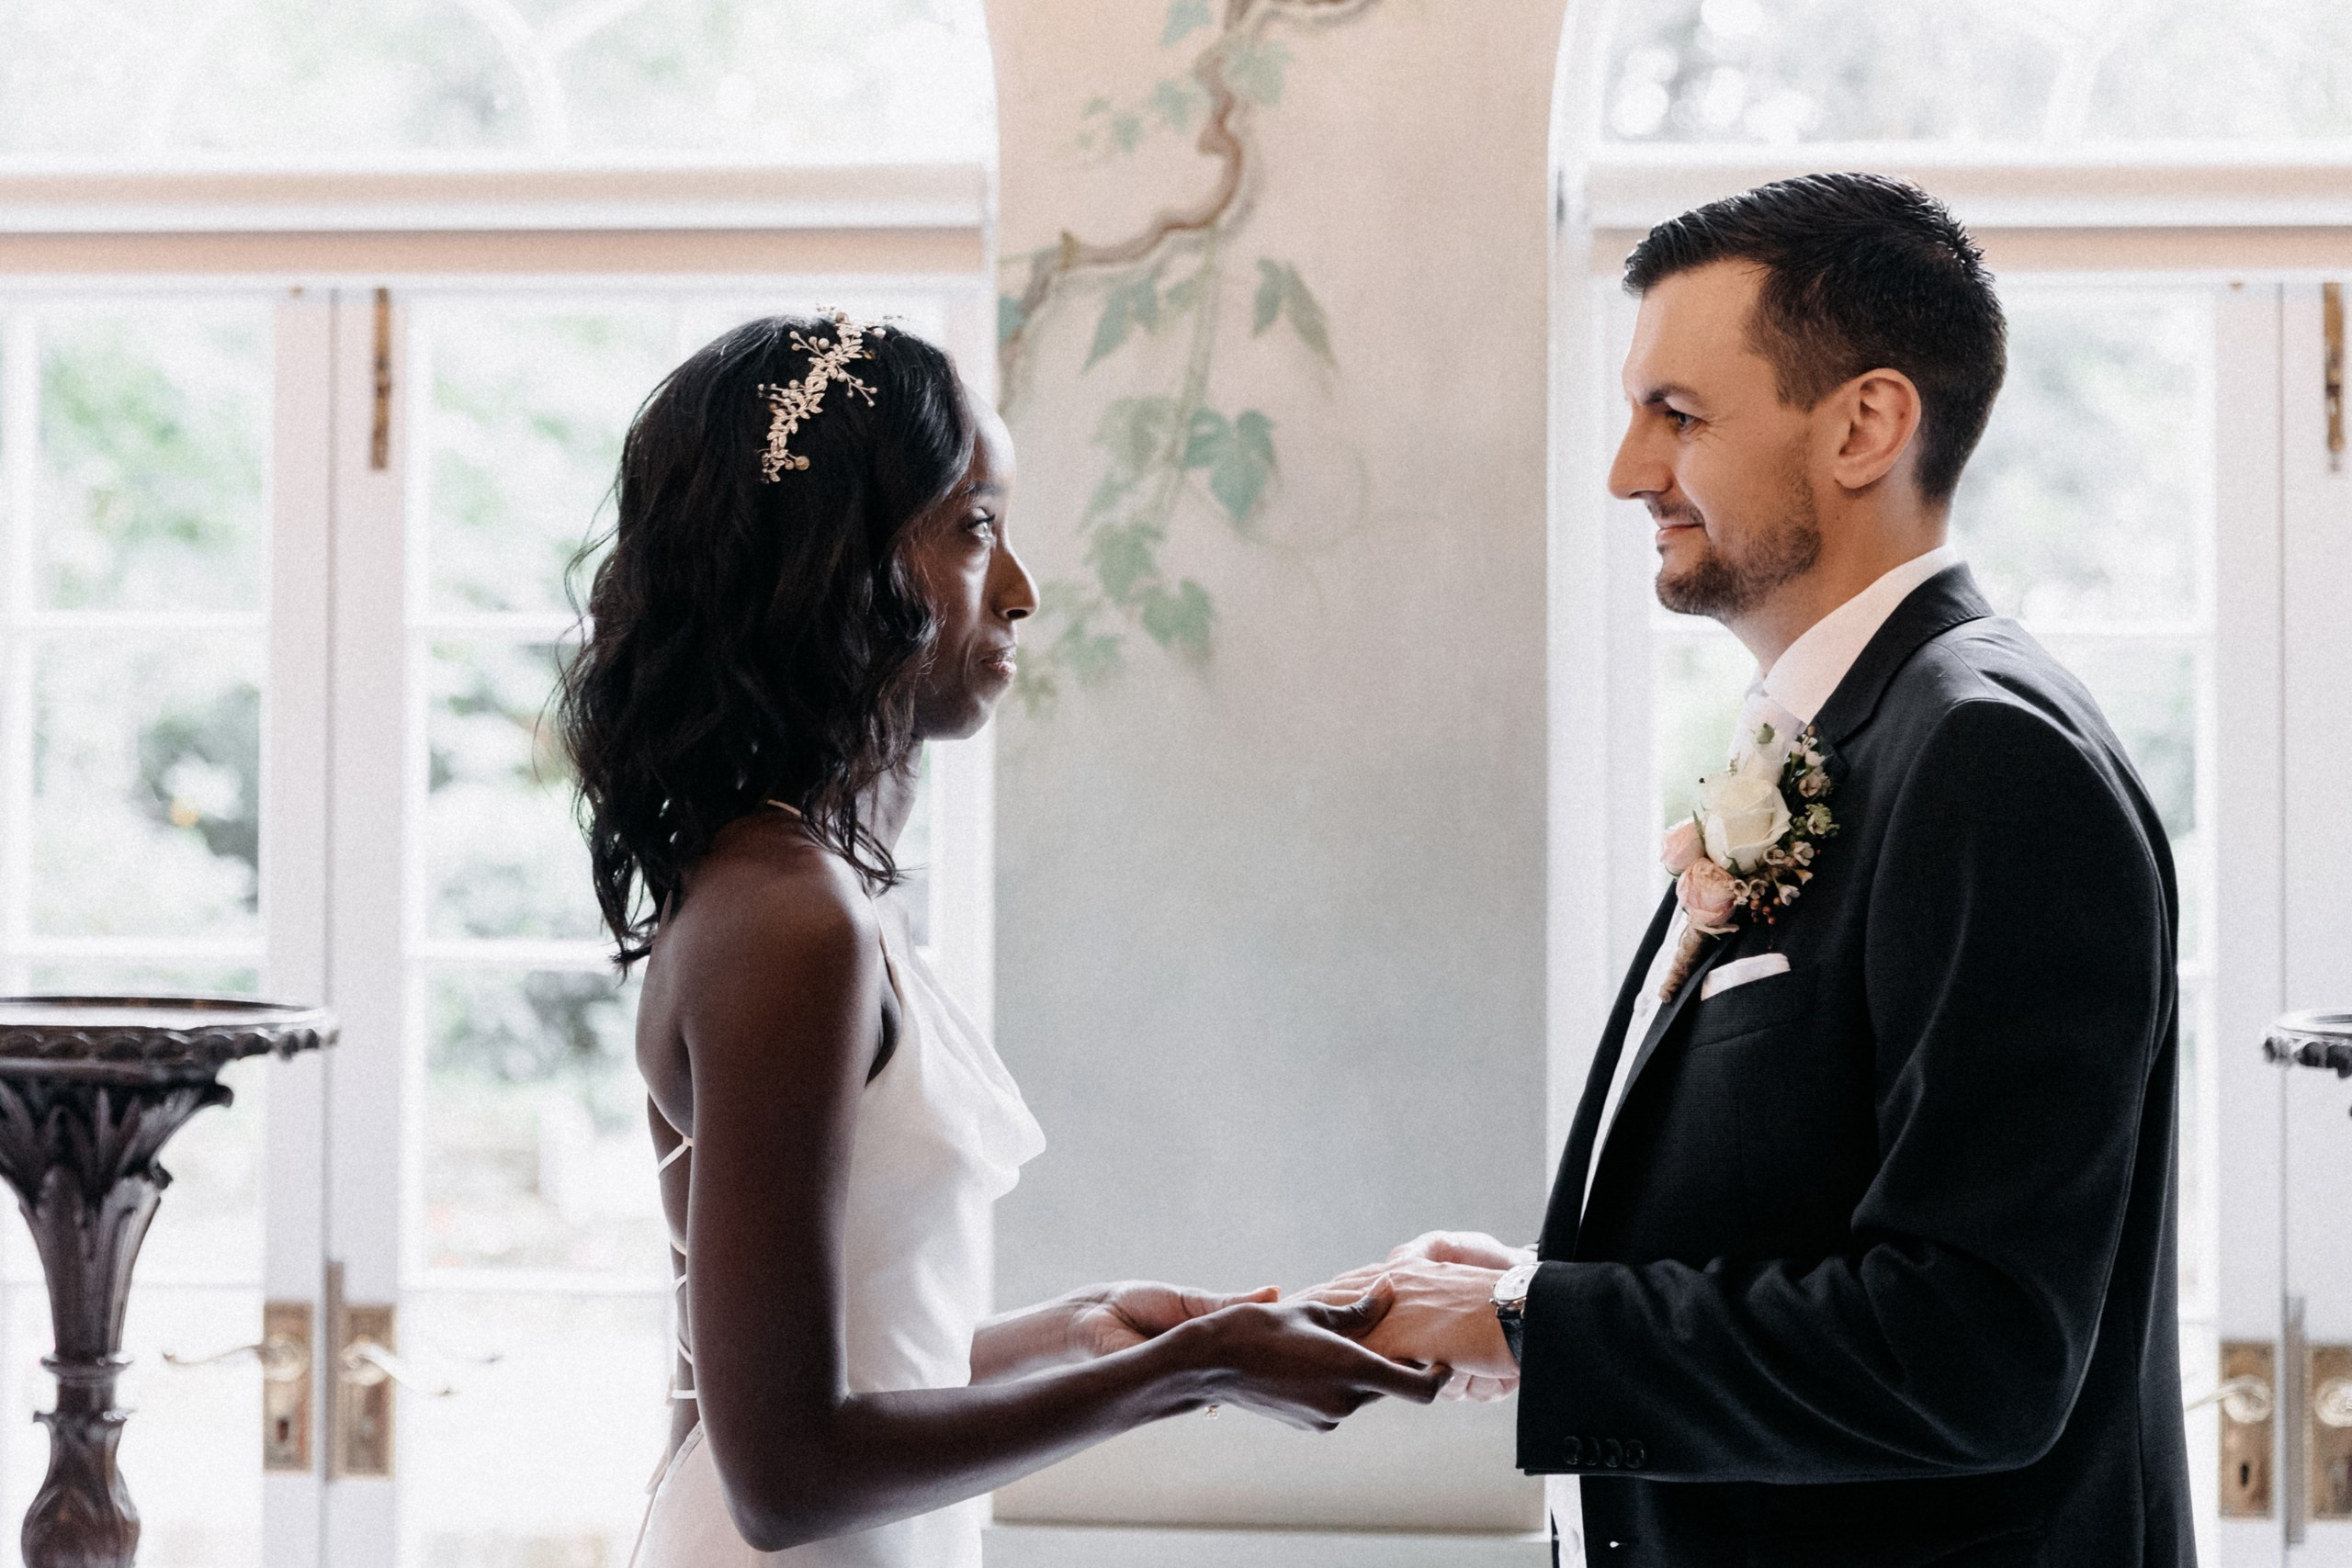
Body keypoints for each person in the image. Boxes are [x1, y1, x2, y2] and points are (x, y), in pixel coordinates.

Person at [1314, 175, 2195, 1564]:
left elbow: (1975, 1346)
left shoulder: (1987, 758)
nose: (1625, 470)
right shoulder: (1857, 726)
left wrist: (1542, 1328)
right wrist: (1539, 1292)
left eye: (1678, 414)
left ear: (1866, 425)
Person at [558, 313, 1445, 1567]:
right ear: (836, 562)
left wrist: (1094, 1329)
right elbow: (787, 1473)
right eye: (975, 527)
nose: (1021, 590)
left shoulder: (800, 890)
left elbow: (859, 1359)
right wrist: (1189, 1375)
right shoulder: (788, 920)